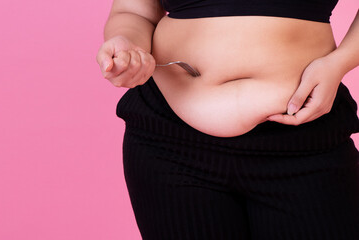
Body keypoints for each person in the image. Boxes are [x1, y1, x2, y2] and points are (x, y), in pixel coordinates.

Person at [96, 0, 359, 239]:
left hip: (305, 141)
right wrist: (128, 46)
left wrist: (339, 63)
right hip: (169, 143)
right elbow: (133, 11)